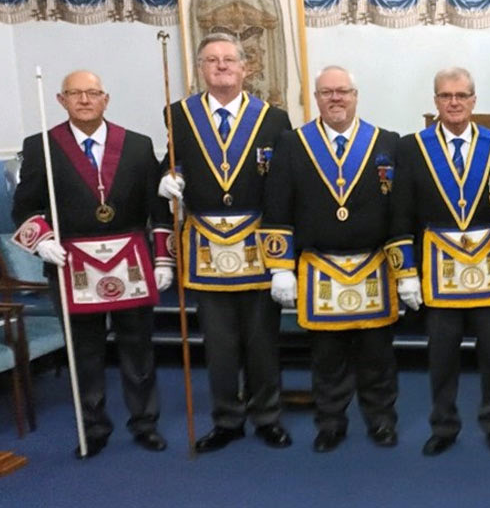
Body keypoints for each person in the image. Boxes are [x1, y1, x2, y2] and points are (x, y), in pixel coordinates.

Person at [10, 70, 172, 458]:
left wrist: (163, 258)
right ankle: (93, 427)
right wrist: (42, 240)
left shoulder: (136, 144)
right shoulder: (41, 147)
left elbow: (157, 207)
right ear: (61, 100)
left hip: (131, 261)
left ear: (106, 98)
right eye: (75, 93)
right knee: (85, 351)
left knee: (138, 349)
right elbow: (24, 208)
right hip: (71, 264)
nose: (84, 100)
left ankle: (145, 422)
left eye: (92, 93)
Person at [157, 32, 294, 453]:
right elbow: (175, 158)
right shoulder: (178, 114)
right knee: (218, 346)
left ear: (245, 67)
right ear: (200, 69)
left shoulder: (274, 118)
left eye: (228, 60)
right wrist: (170, 174)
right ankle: (227, 420)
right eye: (211, 60)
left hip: (255, 241)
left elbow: (281, 188)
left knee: (262, 341)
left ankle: (267, 416)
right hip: (206, 246)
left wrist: (283, 259)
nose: (221, 67)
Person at [260, 66, 401, 453]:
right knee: (327, 356)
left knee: (378, 355)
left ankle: (382, 420)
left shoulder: (387, 142)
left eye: (343, 91)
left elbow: (399, 213)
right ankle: (331, 422)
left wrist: (406, 271)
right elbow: (277, 207)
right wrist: (281, 267)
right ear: (316, 98)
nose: (335, 98)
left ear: (356, 95)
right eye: (327, 92)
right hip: (320, 267)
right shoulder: (293, 144)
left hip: (374, 266)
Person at [388, 67, 490, 457]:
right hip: (438, 271)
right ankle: (443, 425)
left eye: (462, 95)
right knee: (441, 356)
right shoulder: (412, 147)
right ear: (436, 102)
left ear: (475, 100)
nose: (454, 102)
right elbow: (400, 214)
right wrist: (405, 272)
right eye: (446, 96)